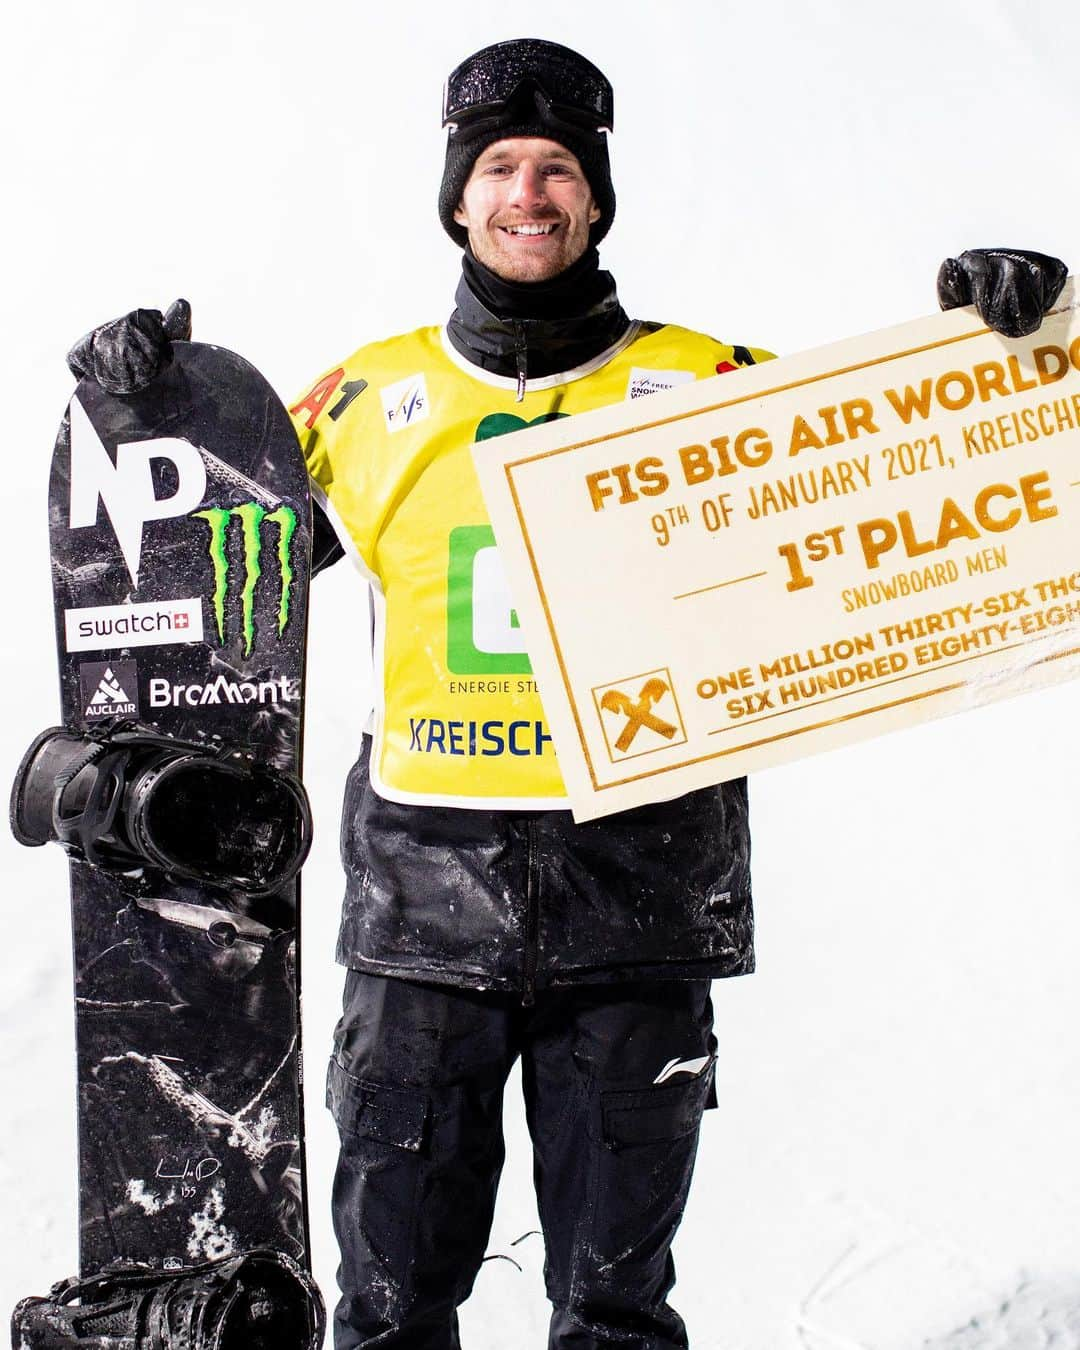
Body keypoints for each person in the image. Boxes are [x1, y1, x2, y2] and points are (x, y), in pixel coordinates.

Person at [65, 38, 1068, 1350]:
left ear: (594, 197)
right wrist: (153, 419)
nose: (527, 194)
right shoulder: (367, 399)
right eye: (497, 168)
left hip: (637, 906)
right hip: (422, 921)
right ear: (458, 197)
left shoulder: (710, 386)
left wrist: (1000, 348)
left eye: (555, 169)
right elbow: (206, 574)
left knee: (611, 1307)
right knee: (387, 1310)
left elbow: (896, 476)